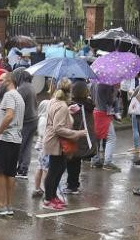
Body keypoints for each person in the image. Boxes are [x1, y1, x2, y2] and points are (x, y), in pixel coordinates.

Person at [41, 79, 87, 211]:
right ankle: (48, 199)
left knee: (58, 169)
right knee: (55, 171)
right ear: (69, 92)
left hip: (53, 140)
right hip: (57, 141)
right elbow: (58, 128)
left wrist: (68, 111)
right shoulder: (61, 105)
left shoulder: (55, 101)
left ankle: (52, 196)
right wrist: (77, 133)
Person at [0, 71, 24, 216]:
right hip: (16, 139)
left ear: (9, 81)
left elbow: (9, 115)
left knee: (1, 172)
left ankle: (1, 204)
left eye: (1, 80)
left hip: (6, 138)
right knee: (10, 172)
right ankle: (8, 205)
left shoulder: (9, 95)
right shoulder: (19, 96)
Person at [64, 82, 95, 194]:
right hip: (84, 137)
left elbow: (71, 122)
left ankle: (72, 186)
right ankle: (74, 185)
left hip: (75, 136)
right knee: (76, 162)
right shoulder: (89, 104)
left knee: (72, 162)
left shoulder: (75, 106)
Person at [92, 80, 121, 171]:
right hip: (103, 113)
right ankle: (107, 162)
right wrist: (115, 90)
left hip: (95, 111)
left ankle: (95, 160)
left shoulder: (94, 82)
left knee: (96, 137)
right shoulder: (106, 84)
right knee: (111, 138)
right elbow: (110, 101)